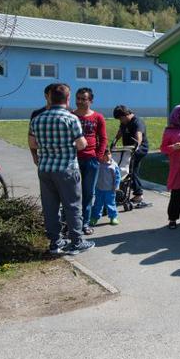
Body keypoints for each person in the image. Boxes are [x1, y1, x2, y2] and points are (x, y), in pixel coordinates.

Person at [29, 83, 94, 255]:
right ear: (68, 98)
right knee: (72, 206)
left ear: (50, 98)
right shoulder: (71, 118)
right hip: (66, 168)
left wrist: (48, 146)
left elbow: (32, 143)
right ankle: (76, 242)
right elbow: (81, 145)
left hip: (45, 168)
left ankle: (55, 242)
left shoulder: (38, 119)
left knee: (50, 207)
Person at [74, 87, 107, 235]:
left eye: (84, 99)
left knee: (88, 193)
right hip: (72, 160)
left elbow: (103, 138)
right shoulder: (70, 116)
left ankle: (85, 223)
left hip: (91, 160)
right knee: (72, 193)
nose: (80, 101)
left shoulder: (98, 117)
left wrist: (98, 156)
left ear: (91, 101)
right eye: (78, 98)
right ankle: (71, 222)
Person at [112, 105, 148, 205]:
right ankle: (124, 193)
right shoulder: (124, 122)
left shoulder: (137, 122)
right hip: (128, 149)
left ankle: (138, 194)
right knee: (126, 170)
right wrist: (114, 141)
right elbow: (120, 131)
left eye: (120, 118)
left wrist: (135, 147)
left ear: (125, 115)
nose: (120, 121)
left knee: (131, 170)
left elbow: (139, 136)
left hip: (139, 149)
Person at [28, 83, 58, 165]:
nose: (56, 97)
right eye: (53, 95)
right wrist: (34, 156)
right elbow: (31, 138)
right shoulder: (37, 114)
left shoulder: (68, 113)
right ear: (46, 96)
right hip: (44, 158)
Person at [91, 148, 121, 227]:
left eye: (109, 154)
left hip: (110, 189)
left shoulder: (113, 165)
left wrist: (116, 186)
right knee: (98, 204)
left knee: (111, 204)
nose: (107, 156)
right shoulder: (98, 164)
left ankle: (113, 217)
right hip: (99, 188)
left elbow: (117, 177)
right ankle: (95, 217)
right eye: (105, 154)